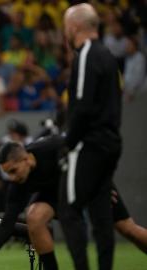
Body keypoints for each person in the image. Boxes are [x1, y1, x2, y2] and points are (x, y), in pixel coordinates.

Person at [0, 137, 147, 269]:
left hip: (89, 181)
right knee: (35, 217)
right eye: (8, 174)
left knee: (128, 229)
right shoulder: (18, 184)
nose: (12, 178)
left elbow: (87, 153)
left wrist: (100, 183)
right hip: (55, 193)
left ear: (26, 159)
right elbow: (7, 224)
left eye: (14, 171)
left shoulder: (52, 147)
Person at [61, 4, 122, 270]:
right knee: (101, 215)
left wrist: (69, 142)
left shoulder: (85, 54)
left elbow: (83, 104)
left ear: (74, 26)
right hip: (110, 143)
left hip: (89, 144)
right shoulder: (108, 55)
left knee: (68, 208)